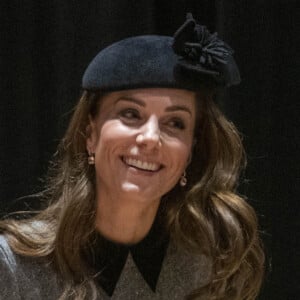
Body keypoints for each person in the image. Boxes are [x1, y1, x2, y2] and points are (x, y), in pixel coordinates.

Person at [0, 14, 264, 300]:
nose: (151, 137)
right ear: (90, 134)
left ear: (190, 152)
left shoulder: (213, 267)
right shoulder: (13, 268)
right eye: (130, 114)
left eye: (175, 123)